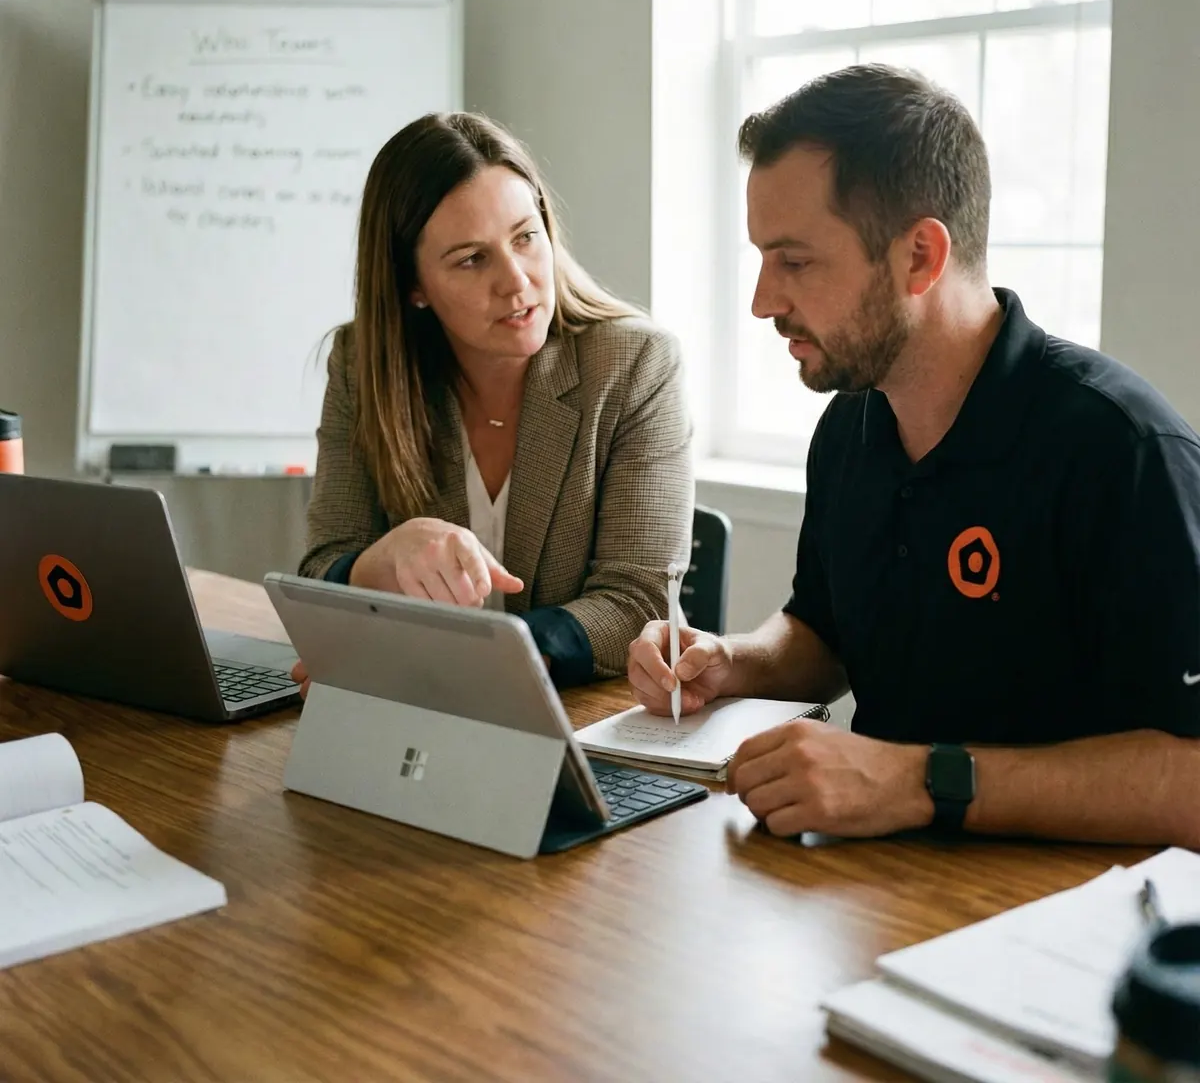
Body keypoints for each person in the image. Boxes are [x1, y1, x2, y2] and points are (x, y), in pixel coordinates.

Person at [628, 64, 1200, 848]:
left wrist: (919, 782)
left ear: (921, 257)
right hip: (875, 895)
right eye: (761, 258)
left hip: (1069, 927)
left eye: (794, 261)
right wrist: (734, 662)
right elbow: (824, 634)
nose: (763, 299)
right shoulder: (851, 426)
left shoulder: (1122, 453)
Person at [298, 112, 691, 690]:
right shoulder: (362, 365)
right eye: (472, 259)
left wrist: (471, 665)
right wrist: (375, 563)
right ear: (413, 286)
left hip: (575, 717)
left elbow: (640, 602)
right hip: (414, 713)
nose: (517, 281)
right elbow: (320, 567)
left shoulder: (634, 364)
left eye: (525, 237)